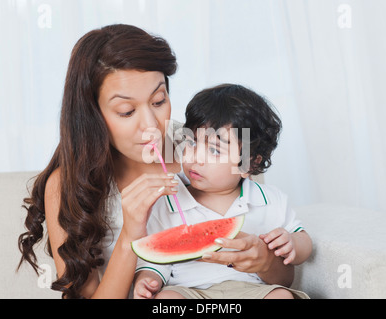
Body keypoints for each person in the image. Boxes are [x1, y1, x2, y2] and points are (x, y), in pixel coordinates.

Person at [17, 25, 295, 299]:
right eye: (126, 112)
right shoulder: (66, 185)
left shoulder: (206, 144)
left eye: (159, 100)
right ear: (92, 115)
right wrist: (130, 234)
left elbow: (277, 268)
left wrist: (266, 262)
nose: (151, 125)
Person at [133, 84, 312, 299]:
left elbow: (303, 239)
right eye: (191, 142)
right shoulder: (168, 198)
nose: (195, 157)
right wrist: (147, 280)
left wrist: (293, 244)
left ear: (248, 164)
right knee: (167, 299)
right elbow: (154, 261)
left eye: (214, 150)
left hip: (252, 290)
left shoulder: (270, 199)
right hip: (189, 291)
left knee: (281, 296)